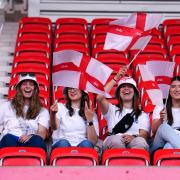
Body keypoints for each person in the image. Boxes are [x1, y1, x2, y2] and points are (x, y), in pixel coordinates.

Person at [96, 66, 150, 150]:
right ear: (118, 93)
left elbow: (144, 135)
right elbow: (99, 97)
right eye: (123, 87)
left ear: (135, 92)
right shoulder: (111, 109)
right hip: (114, 140)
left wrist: (133, 137)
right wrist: (116, 78)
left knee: (140, 141)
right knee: (116, 141)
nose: (126, 88)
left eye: (130, 86)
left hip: (134, 140)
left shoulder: (142, 114)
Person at [0, 73, 50, 151]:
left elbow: (42, 132)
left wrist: (32, 136)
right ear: (19, 88)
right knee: (8, 139)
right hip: (11, 139)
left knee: (38, 141)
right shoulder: (6, 106)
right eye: (24, 84)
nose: (28, 86)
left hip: (31, 141)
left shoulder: (42, 111)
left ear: (35, 89)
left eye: (31, 84)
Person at [150, 76, 180, 154]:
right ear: (169, 90)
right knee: (164, 126)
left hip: (171, 146)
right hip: (159, 144)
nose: (177, 90)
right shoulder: (161, 106)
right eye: (173, 87)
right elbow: (153, 130)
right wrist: (161, 119)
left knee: (169, 146)